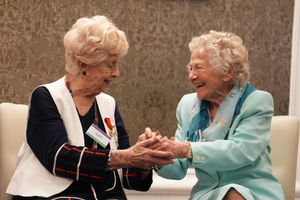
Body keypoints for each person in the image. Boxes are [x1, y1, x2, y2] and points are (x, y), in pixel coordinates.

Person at [6, 15, 174, 200]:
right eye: (111, 64)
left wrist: (145, 158)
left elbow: (128, 178)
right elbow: (58, 158)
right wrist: (128, 156)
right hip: (53, 195)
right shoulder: (47, 96)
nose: (117, 73)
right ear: (83, 64)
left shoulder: (108, 103)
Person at [142, 30, 285, 200]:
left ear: (227, 72)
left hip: (251, 192)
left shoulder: (256, 101)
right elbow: (178, 168)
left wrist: (185, 149)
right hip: (207, 194)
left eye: (198, 68)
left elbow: (240, 152)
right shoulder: (187, 105)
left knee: (233, 195)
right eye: (190, 68)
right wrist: (157, 153)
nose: (191, 76)